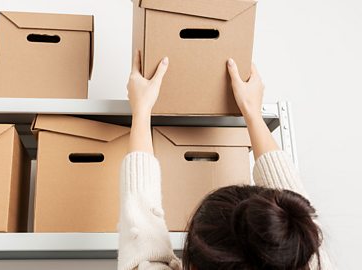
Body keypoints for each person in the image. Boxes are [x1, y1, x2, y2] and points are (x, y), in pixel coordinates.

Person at [117, 52, 334, 269]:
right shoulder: (310, 258)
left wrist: (142, 109)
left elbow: (141, 227)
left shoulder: (311, 258)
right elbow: (293, 219)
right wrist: (253, 113)